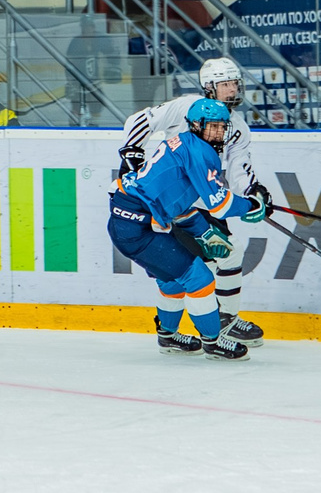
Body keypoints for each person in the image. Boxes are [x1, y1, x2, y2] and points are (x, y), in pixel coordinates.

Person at [115, 58, 269, 342]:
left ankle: (218, 320)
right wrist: (131, 152)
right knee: (200, 268)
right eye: (225, 84)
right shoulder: (186, 107)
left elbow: (238, 169)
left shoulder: (237, 127)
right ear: (209, 88)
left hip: (192, 203)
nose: (232, 89)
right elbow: (140, 121)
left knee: (228, 252)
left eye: (234, 83)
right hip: (174, 204)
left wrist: (253, 192)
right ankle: (213, 329)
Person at [108, 96, 250, 360]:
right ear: (196, 125)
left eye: (222, 126)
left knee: (172, 280)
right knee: (199, 278)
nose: (219, 132)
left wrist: (203, 232)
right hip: (136, 228)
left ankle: (169, 338)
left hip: (128, 223)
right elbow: (218, 205)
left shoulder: (183, 143)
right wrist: (251, 206)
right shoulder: (201, 152)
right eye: (213, 126)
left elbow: (175, 202)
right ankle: (214, 342)